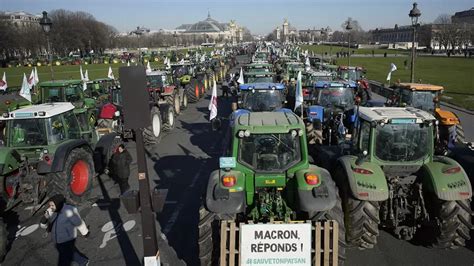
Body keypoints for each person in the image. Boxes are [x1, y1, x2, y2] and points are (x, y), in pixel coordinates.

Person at [40, 194, 89, 266]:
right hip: (56, 239)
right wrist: (45, 218)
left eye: (52, 205)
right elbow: (44, 225)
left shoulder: (69, 210)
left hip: (66, 238)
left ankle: (83, 262)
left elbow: (78, 222)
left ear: (58, 203)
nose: (50, 208)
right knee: (67, 251)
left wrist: (85, 233)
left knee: (68, 252)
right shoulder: (51, 211)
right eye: (50, 205)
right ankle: (81, 260)